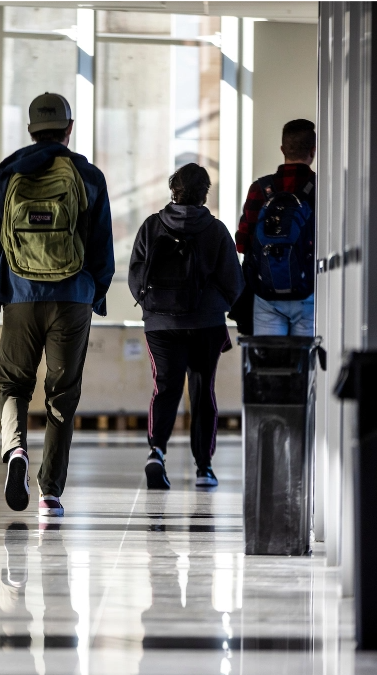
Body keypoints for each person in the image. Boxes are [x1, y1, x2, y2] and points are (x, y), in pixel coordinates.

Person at [0, 92, 115, 517]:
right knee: (62, 395)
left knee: (12, 384)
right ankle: (50, 492)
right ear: (68, 129)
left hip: (20, 295)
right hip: (72, 297)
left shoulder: (7, 177)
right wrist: (94, 293)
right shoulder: (89, 176)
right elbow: (102, 248)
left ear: (31, 130)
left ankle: (15, 448)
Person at [128, 163, 243, 489]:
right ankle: (204, 467)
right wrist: (215, 306)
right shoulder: (216, 230)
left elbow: (135, 275)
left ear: (173, 190)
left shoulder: (152, 226)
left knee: (165, 386)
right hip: (205, 324)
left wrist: (152, 307)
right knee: (202, 389)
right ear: (204, 193)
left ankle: (157, 452)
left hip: (161, 326)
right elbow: (234, 282)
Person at [236, 119, 317, 336]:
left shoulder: (260, 189)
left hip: (266, 292)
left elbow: (242, 244)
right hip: (308, 290)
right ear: (313, 150)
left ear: (282, 149)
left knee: (268, 361)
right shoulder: (322, 187)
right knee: (307, 362)